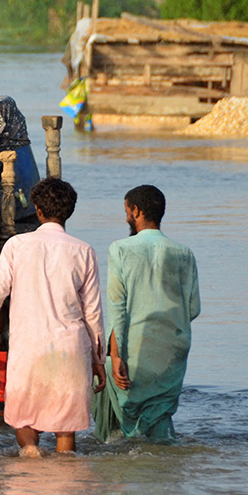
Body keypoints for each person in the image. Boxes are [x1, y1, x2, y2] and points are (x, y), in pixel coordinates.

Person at [0, 178, 105, 457]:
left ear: (37, 210)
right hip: (70, 349)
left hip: (29, 350)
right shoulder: (84, 252)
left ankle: (29, 466)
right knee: (65, 431)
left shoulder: (17, 246)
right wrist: (98, 360)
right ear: (70, 211)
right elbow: (93, 315)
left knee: (26, 422)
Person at [93, 185, 201, 442]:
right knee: (161, 413)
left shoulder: (120, 249)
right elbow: (193, 308)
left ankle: (117, 453)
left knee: (106, 383)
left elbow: (117, 306)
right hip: (174, 347)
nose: (126, 217)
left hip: (135, 345)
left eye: (127, 211)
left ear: (136, 211)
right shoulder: (184, 253)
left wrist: (116, 355)